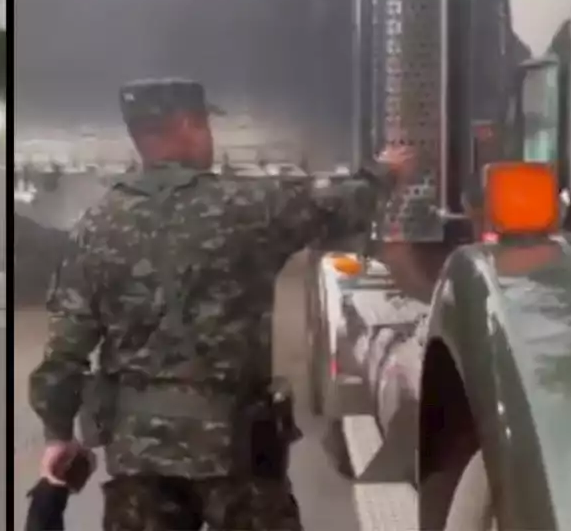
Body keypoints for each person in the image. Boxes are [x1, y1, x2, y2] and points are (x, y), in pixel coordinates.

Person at [27, 77, 415, 531]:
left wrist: (57, 437)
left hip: (139, 463)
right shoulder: (246, 206)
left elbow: (64, 355)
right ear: (188, 124)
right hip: (238, 458)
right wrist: (387, 171)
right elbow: (341, 207)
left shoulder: (95, 225)